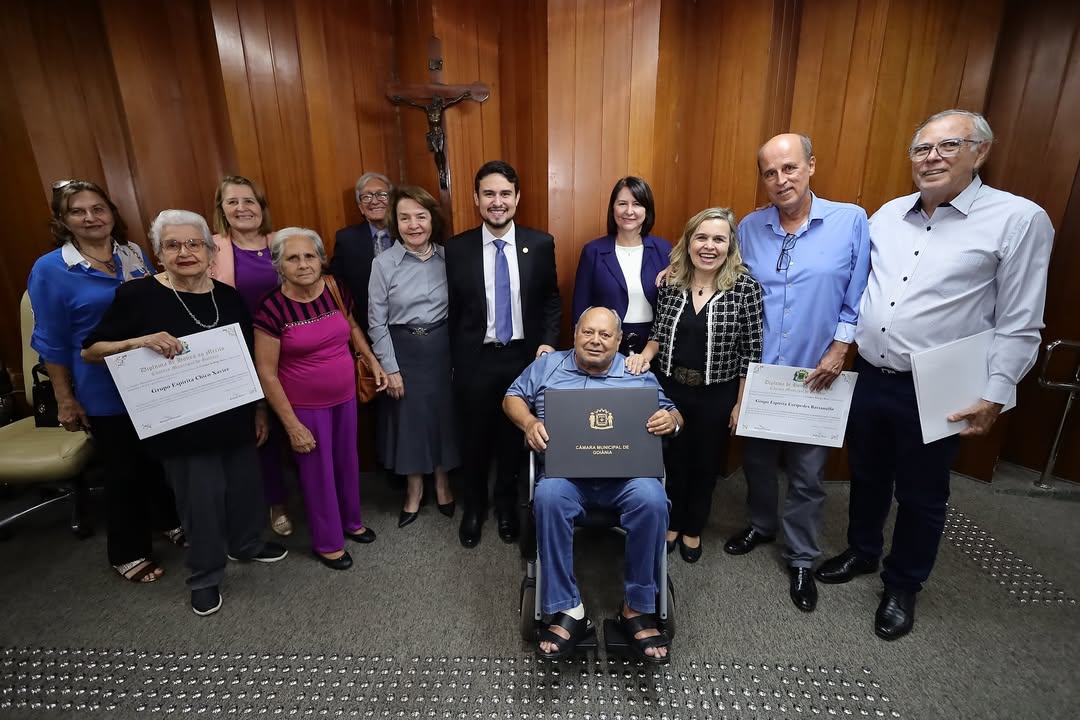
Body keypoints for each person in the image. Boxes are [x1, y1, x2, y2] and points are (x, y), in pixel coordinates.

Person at [815, 109, 1054, 640]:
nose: (932, 158)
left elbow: (1021, 320)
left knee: (922, 492)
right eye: (922, 149)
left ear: (980, 152)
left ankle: (903, 584)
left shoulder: (1018, 219)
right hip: (872, 374)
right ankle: (862, 550)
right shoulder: (886, 215)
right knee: (866, 473)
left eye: (949, 146)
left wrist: (996, 393)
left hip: (940, 383)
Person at [82, 209, 288, 616]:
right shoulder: (137, 296)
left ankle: (246, 544)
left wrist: (260, 409)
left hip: (234, 413)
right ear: (159, 254)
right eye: (173, 245)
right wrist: (138, 341)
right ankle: (205, 576)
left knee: (246, 488)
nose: (185, 252)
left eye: (194, 244)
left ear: (210, 251)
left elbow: (248, 357)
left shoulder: (228, 297)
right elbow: (91, 350)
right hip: (180, 423)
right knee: (201, 501)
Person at [722, 134, 870, 613]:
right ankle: (762, 524)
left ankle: (802, 556)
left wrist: (841, 346)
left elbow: (859, 290)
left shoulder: (850, 220)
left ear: (811, 166)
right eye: (770, 172)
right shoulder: (750, 227)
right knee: (758, 461)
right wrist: (674, 271)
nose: (780, 180)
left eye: (789, 168)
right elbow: (726, 279)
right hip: (761, 372)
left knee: (807, 473)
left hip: (817, 372)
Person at [504, 307, 683, 664]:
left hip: (627, 479)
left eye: (605, 335)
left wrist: (672, 421)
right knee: (548, 495)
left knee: (652, 498)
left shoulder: (637, 372)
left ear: (619, 340)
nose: (595, 341)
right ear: (574, 334)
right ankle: (567, 607)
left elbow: (674, 412)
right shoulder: (547, 366)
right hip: (566, 477)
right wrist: (528, 423)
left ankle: (637, 607)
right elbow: (512, 397)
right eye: (588, 332)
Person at [28, 179, 183, 584]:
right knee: (122, 469)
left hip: (149, 377)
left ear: (112, 212)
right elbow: (51, 341)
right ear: (63, 220)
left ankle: (167, 519)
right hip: (100, 384)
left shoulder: (132, 254)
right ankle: (128, 551)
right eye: (77, 211)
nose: (90, 217)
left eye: (98, 208)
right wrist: (65, 398)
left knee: (157, 457)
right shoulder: (51, 269)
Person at [626, 208, 763, 564]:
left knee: (704, 465)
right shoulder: (672, 284)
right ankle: (672, 523)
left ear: (730, 245)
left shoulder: (745, 288)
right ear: (688, 243)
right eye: (701, 237)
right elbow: (658, 334)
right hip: (671, 389)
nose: (709, 246)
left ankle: (693, 527)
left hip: (717, 394)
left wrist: (741, 403)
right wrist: (644, 355)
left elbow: (751, 353)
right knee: (672, 459)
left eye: (719, 239)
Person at [253, 228, 388, 569]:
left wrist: (372, 361)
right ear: (279, 265)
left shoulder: (334, 288)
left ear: (321, 259)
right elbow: (266, 373)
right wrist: (291, 425)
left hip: (345, 397)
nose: (303, 264)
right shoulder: (271, 308)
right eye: (292, 258)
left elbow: (352, 327)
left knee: (347, 461)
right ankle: (327, 543)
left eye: (309, 256)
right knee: (318, 474)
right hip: (304, 408)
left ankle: (352, 522)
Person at [446, 160, 562, 548]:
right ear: (476, 198)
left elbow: (550, 299)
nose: (497, 202)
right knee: (474, 438)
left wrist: (548, 341)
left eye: (505, 194)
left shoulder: (540, 244)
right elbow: (452, 310)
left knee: (514, 437)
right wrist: (454, 362)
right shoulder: (457, 248)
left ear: (517, 198)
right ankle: (474, 508)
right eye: (489, 194)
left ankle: (507, 505)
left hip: (522, 359)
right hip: (476, 359)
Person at [368, 186, 459, 527]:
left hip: (443, 348)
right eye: (405, 218)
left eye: (421, 216)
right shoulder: (383, 264)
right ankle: (414, 490)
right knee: (409, 422)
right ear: (395, 222)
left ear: (432, 220)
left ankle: (443, 483)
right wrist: (390, 368)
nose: (414, 225)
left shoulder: (450, 258)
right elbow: (376, 322)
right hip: (403, 351)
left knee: (443, 417)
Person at [208, 175, 292, 538]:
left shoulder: (282, 241)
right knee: (260, 432)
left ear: (261, 207)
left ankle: (311, 494)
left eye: (249, 201)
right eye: (233, 202)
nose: (242, 208)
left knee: (296, 423)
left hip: (290, 349)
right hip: (239, 352)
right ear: (222, 209)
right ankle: (275, 502)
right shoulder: (211, 248)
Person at [571, 177, 672, 356]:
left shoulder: (663, 249)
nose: (629, 211)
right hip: (604, 343)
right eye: (622, 203)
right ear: (613, 208)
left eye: (637, 204)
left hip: (654, 344)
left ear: (647, 210)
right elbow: (581, 306)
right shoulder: (593, 251)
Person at [330, 172, 394, 328]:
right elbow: (338, 286)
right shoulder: (346, 239)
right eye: (366, 197)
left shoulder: (408, 234)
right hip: (365, 324)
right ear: (361, 208)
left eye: (382, 195)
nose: (375, 201)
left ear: (392, 201)